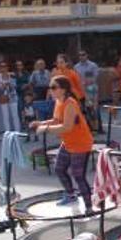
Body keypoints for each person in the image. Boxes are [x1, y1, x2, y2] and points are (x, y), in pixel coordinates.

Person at [30, 76, 94, 210]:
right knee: (59, 169)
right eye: (50, 87)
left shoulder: (70, 103)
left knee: (78, 175)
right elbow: (56, 119)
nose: (50, 90)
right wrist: (40, 123)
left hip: (80, 143)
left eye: (53, 87)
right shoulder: (59, 101)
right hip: (68, 142)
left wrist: (45, 128)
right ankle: (71, 195)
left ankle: (89, 207)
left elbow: (66, 127)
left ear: (63, 90)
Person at [75, 51, 100, 131]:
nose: (81, 56)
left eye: (83, 55)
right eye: (80, 55)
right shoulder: (76, 67)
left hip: (91, 89)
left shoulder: (92, 65)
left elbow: (95, 77)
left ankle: (98, 128)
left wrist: (85, 82)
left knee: (93, 108)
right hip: (80, 90)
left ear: (87, 55)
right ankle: (89, 127)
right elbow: (76, 78)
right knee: (83, 109)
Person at [0, 61, 20, 133]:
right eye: (1, 67)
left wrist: (6, 85)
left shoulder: (12, 75)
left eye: (5, 67)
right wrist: (3, 87)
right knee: (5, 116)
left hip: (12, 97)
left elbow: (14, 86)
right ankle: (7, 132)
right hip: (3, 98)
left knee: (15, 115)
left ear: (7, 68)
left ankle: (17, 131)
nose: (3, 69)